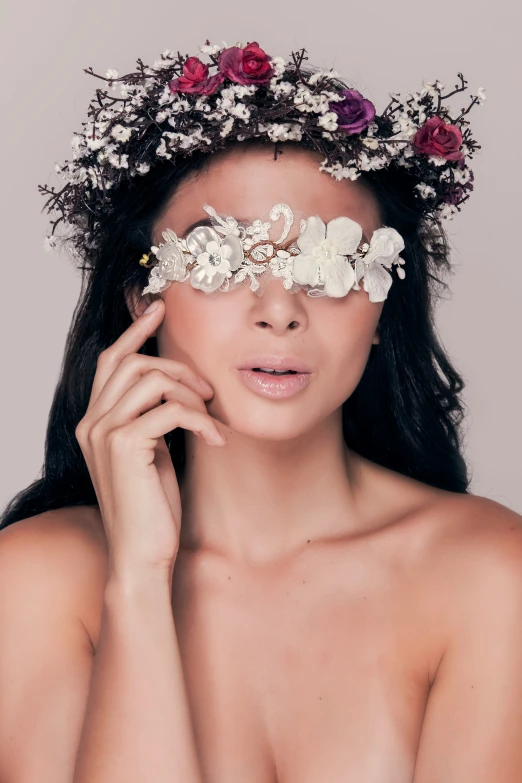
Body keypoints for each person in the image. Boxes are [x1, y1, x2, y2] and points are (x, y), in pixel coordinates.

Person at [0, 39, 521, 783]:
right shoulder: (34, 581)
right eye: (224, 258)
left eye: (329, 264)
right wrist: (140, 584)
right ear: (145, 298)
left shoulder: (490, 573)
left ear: (381, 309)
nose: (280, 312)